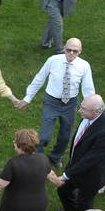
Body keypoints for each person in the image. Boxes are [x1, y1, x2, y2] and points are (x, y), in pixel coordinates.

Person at [47, 95, 105, 211]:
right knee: (63, 189)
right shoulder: (90, 116)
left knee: (84, 204)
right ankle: (70, 208)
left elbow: (91, 159)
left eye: (84, 109)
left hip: (92, 174)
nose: (79, 111)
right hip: (77, 164)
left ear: (96, 112)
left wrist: (66, 175)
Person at [18, 38, 95, 166]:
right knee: (44, 137)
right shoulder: (53, 60)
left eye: (75, 51)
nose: (71, 53)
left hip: (70, 104)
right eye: (68, 50)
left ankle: (55, 157)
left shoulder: (84, 66)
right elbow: (40, 78)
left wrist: (91, 108)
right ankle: (39, 158)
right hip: (51, 102)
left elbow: (88, 88)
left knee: (65, 137)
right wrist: (28, 98)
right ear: (64, 48)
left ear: (80, 51)